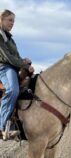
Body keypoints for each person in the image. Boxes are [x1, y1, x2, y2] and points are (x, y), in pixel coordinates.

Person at [0, 9, 34, 140]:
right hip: (3, 67)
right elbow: (8, 58)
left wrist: (24, 60)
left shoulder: (11, 39)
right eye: (9, 20)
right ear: (1, 19)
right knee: (13, 90)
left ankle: (20, 123)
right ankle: (3, 127)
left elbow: (16, 56)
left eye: (13, 21)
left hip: (13, 68)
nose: (12, 23)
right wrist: (25, 66)